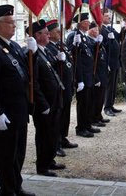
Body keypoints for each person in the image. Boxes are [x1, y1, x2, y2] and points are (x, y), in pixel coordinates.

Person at [0, 5, 36, 196]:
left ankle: (16, 186)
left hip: (19, 110)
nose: (14, 27)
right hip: (4, 112)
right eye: (10, 23)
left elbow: (25, 74)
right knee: (5, 154)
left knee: (18, 153)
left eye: (14, 23)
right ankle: (8, 190)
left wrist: (33, 55)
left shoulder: (14, 46)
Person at [28, 20, 66, 176]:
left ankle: (50, 160)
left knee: (52, 134)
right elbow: (34, 82)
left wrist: (61, 61)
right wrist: (42, 104)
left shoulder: (45, 51)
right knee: (44, 135)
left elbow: (52, 71)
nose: (48, 34)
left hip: (54, 100)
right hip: (44, 103)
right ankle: (42, 166)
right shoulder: (33, 54)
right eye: (45, 32)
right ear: (37, 35)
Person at [45, 19, 78, 157]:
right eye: (56, 31)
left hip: (67, 85)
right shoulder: (48, 47)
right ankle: (56, 142)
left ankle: (63, 137)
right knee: (58, 116)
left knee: (65, 115)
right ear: (50, 33)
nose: (59, 32)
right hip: (58, 87)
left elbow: (70, 62)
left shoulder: (61, 45)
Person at [66, 12, 100, 137]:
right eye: (87, 21)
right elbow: (71, 56)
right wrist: (74, 45)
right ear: (81, 23)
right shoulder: (73, 36)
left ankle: (87, 124)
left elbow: (90, 54)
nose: (89, 23)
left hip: (88, 75)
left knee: (88, 102)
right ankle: (80, 128)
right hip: (81, 76)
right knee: (83, 103)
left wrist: (97, 43)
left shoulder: (84, 37)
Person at [100, 11, 122, 117]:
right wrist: (109, 39)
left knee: (113, 85)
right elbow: (102, 46)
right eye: (106, 16)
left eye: (109, 16)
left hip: (115, 61)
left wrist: (124, 28)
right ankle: (107, 107)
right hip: (108, 61)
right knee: (109, 85)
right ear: (101, 17)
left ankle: (111, 104)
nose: (109, 18)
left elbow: (119, 36)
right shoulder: (101, 29)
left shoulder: (110, 28)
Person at [87, 22, 108, 127]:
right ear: (90, 31)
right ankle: (94, 118)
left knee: (101, 98)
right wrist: (96, 78)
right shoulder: (90, 42)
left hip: (102, 72)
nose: (97, 32)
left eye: (98, 30)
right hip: (97, 74)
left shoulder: (98, 41)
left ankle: (98, 116)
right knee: (95, 98)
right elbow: (92, 61)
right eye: (95, 30)